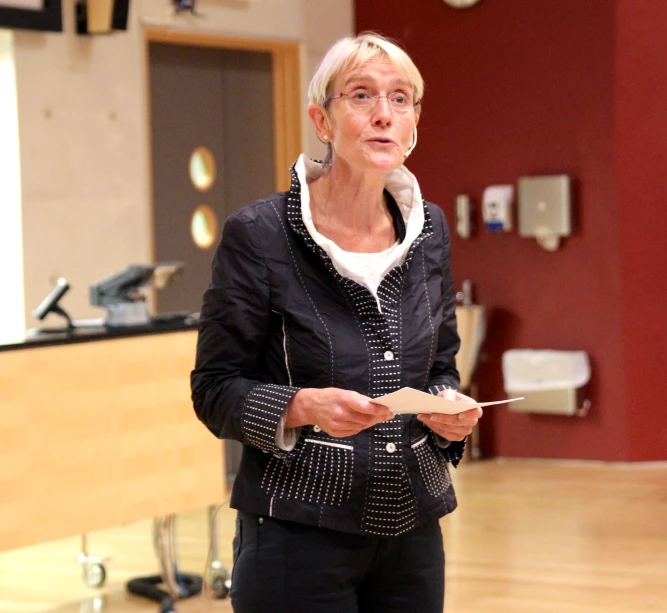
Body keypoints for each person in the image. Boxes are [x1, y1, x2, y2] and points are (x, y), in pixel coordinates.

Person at [191, 32, 483, 613]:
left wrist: (447, 408)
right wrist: (302, 408)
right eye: (361, 96)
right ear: (321, 120)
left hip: (412, 528)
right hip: (296, 531)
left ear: (414, 121)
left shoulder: (429, 228)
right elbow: (214, 389)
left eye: (400, 99)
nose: (383, 115)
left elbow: (440, 364)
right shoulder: (260, 234)